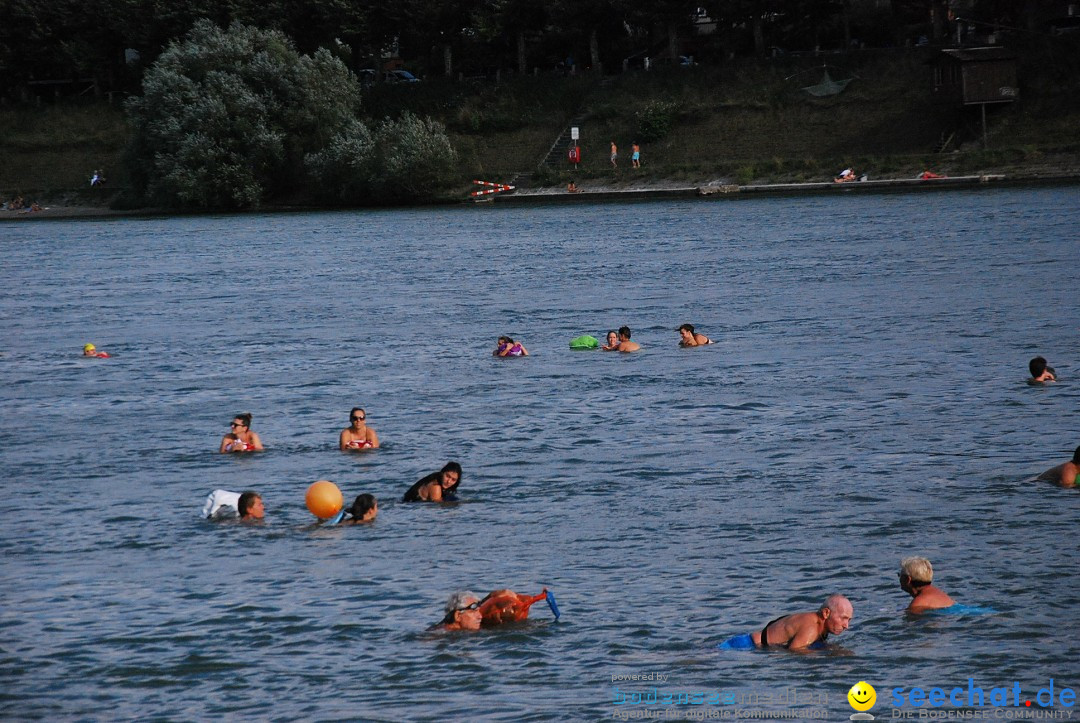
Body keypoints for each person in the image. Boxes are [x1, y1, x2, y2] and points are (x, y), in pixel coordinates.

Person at [719, 594, 853, 651]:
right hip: (744, 646)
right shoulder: (812, 627)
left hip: (748, 643)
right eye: (843, 618)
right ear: (826, 613)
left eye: (849, 620)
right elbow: (795, 650)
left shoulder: (816, 623)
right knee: (708, 656)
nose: (846, 626)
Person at [431, 588, 550, 631]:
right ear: (457, 616)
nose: (480, 615)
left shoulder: (469, 628)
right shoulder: (443, 634)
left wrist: (491, 596)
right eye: (474, 611)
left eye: (479, 609)